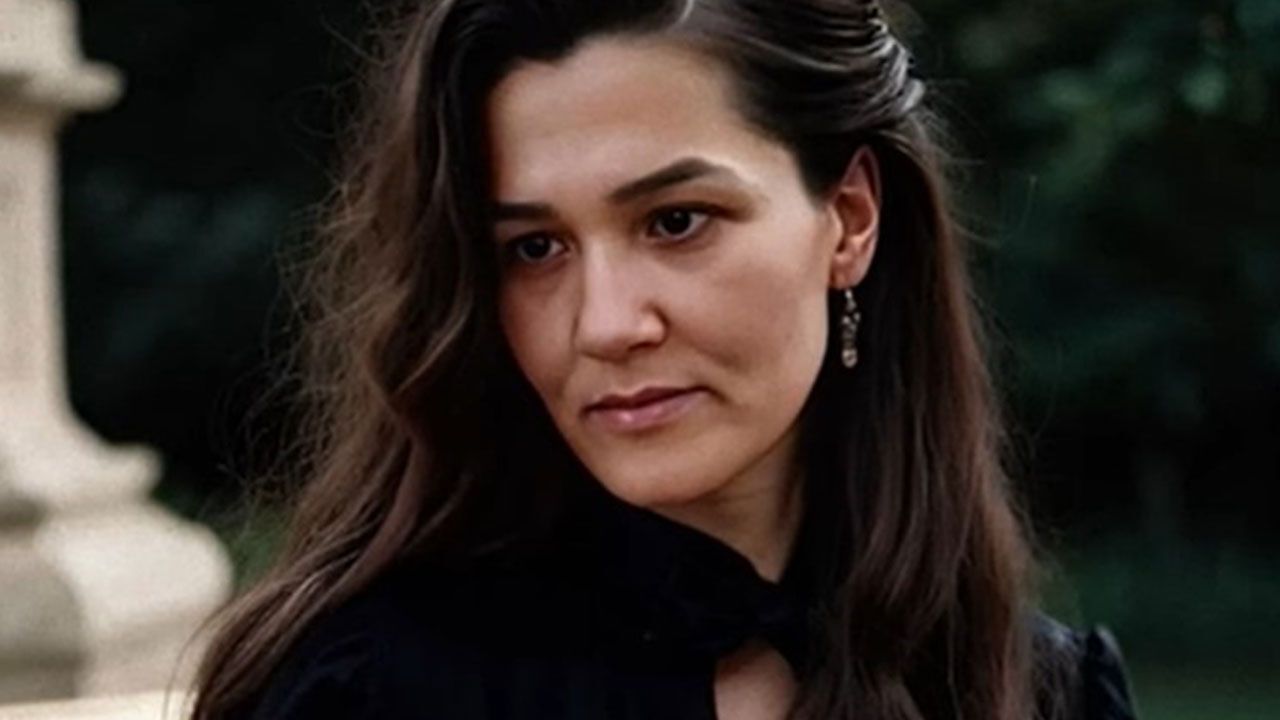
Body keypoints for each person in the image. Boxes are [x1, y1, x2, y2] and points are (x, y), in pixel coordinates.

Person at [190, 1, 1139, 718]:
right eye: (534, 248)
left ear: (850, 218)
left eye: (677, 222)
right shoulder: (367, 688)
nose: (604, 324)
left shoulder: (1037, 694)